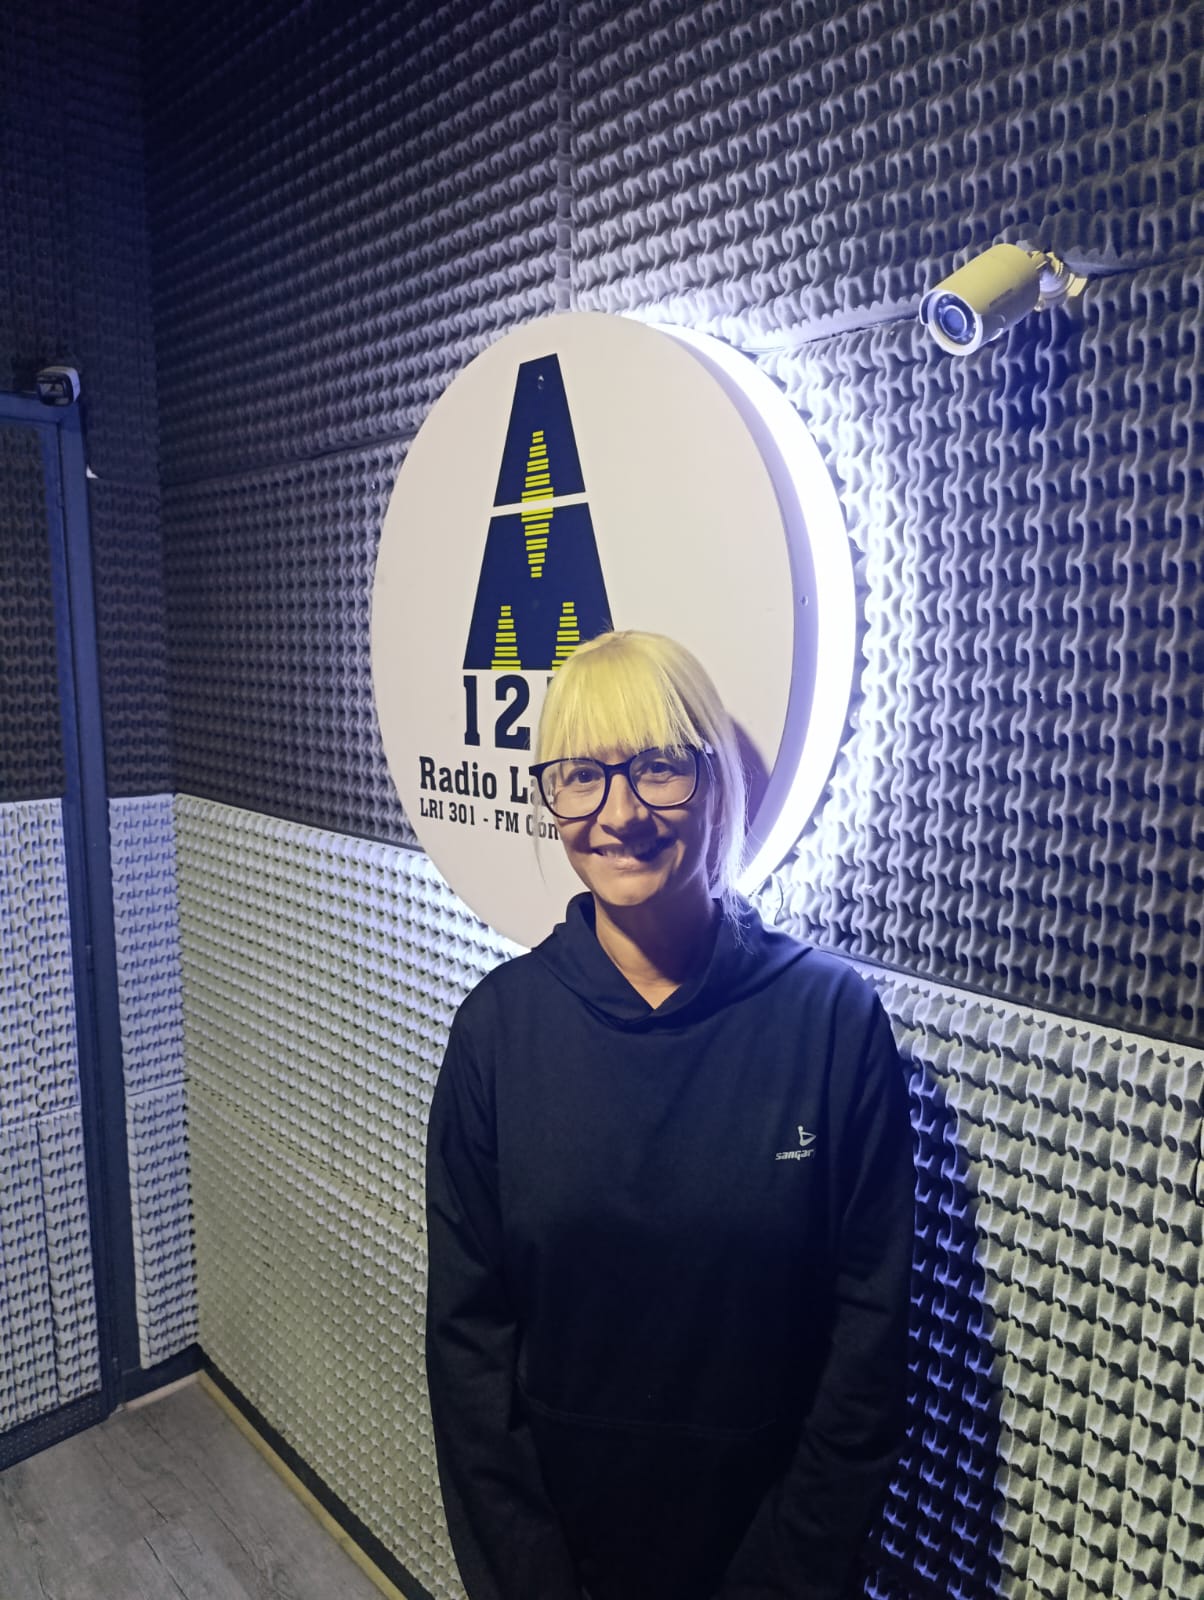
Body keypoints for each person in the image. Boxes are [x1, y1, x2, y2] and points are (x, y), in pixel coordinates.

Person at [425, 630, 915, 1600]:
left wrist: (786, 1579)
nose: (620, 813)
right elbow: (469, 1347)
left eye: (656, 767)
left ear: (713, 781)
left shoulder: (830, 1021)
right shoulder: (497, 1032)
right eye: (582, 775)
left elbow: (868, 1340)